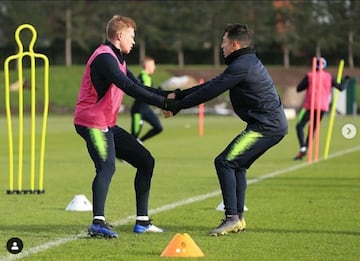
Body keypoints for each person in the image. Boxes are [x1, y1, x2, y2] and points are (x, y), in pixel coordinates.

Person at [164, 24, 288, 236]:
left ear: (234, 44)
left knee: (224, 162)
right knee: (236, 165)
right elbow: (213, 84)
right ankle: (237, 219)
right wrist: (179, 95)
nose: (221, 47)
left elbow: (211, 91)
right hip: (269, 124)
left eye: (223, 43)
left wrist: (177, 107)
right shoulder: (244, 62)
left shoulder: (243, 65)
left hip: (266, 126)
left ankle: (231, 217)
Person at [73, 15, 176, 238]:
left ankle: (142, 222)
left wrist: (170, 97)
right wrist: (163, 103)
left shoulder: (118, 58)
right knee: (107, 166)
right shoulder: (104, 58)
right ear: (120, 35)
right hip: (91, 122)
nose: (134, 41)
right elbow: (129, 87)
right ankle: (98, 223)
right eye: (132, 36)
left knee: (145, 161)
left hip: (107, 124)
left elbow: (138, 85)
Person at [293, 57, 349, 160]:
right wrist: (346, 80)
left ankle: (303, 147)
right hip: (322, 107)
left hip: (309, 106)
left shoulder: (310, 76)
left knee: (299, 126)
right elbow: (341, 88)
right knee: (312, 128)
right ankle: (305, 148)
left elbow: (298, 88)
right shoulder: (329, 76)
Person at [130, 56, 163, 142]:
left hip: (146, 109)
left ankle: (140, 142)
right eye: (153, 65)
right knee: (133, 137)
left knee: (158, 127)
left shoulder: (145, 76)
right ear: (148, 65)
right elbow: (146, 93)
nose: (154, 67)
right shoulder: (144, 77)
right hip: (138, 110)